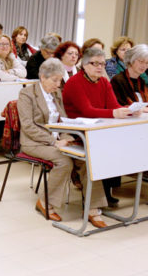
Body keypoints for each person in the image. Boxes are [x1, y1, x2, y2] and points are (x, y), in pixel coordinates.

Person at [18, 58, 108, 227]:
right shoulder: (27, 94)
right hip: (34, 142)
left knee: (88, 159)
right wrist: (53, 141)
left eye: (60, 80)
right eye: (55, 80)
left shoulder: (56, 93)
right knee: (64, 161)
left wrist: (68, 137)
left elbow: (63, 120)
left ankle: (92, 207)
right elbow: (28, 126)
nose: (58, 85)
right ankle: (45, 202)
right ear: (42, 77)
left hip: (57, 139)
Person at [62, 47, 134, 207]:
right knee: (106, 147)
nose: (100, 67)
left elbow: (113, 105)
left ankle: (108, 190)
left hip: (100, 127)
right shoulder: (75, 82)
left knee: (120, 145)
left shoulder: (103, 82)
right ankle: (100, 194)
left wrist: (129, 111)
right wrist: (114, 113)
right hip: (77, 130)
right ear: (84, 64)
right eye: (95, 63)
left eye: (102, 63)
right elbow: (87, 110)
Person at [111, 44, 148, 108]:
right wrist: (143, 109)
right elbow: (119, 105)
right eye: (141, 61)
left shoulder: (142, 81)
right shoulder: (117, 80)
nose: (144, 66)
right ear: (131, 60)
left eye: (147, 63)